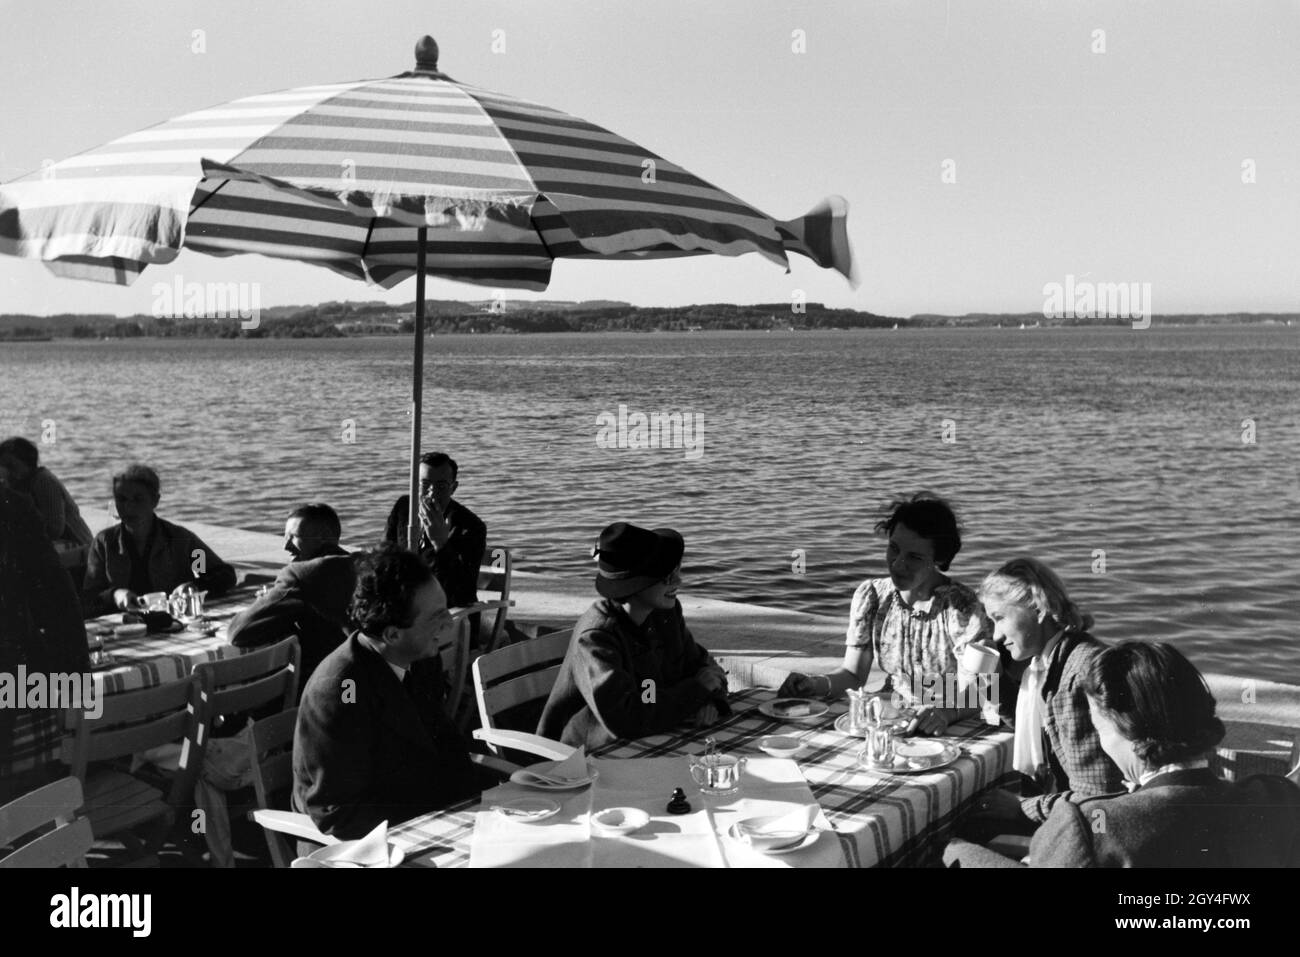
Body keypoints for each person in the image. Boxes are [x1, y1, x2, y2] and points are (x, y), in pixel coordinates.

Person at [945, 642, 1300, 867]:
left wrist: (955, 851)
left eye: (1099, 729)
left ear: (1127, 733)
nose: (1101, 743)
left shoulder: (1090, 825)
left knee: (952, 852)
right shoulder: (1277, 798)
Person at [293, 544, 482, 839]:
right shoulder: (341, 690)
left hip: (425, 819)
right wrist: (439, 818)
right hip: (364, 844)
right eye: (436, 617)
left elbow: (445, 747)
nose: (449, 624)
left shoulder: (419, 658)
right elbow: (337, 812)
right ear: (392, 634)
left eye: (445, 610)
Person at [778, 494, 991, 736]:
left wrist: (944, 713)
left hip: (951, 725)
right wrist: (814, 684)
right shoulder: (873, 597)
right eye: (894, 549)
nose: (898, 564)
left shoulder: (962, 607)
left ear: (939, 558)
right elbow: (852, 675)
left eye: (914, 557)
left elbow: (983, 686)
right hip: (891, 719)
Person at [960, 558, 1124, 837]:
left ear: (1038, 608)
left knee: (954, 844)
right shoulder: (1049, 661)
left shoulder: (1078, 675)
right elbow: (1036, 724)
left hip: (1092, 833)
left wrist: (1022, 808)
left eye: (999, 618)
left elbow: (1097, 797)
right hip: (1067, 811)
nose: (996, 635)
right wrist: (992, 677)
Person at [536, 522, 730, 750]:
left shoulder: (665, 614)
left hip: (652, 739)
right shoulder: (596, 637)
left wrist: (710, 700)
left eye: (677, 571)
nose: (679, 581)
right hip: (587, 758)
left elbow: (702, 666)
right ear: (635, 586)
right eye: (667, 577)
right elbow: (627, 719)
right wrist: (696, 691)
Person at [0, 487, 91, 802]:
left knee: (25, 796)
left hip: (17, 684)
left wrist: (76, 683)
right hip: (19, 683)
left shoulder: (11, 504)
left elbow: (56, 595)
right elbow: (57, 594)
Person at [227, 503, 353, 691]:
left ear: (324, 537)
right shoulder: (361, 564)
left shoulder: (302, 574)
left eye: (294, 537)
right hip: (362, 679)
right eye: (285, 537)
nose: (286, 546)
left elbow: (237, 633)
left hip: (320, 687)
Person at [82, 463, 236, 616]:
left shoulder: (181, 540)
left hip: (174, 621)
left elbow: (221, 574)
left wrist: (195, 586)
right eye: (121, 499)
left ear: (155, 500)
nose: (128, 507)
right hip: (126, 628)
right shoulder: (104, 544)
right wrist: (115, 595)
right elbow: (89, 596)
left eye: (138, 499)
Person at [384, 451, 486, 609]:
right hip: (402, 607)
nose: (432, 493)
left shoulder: (470, 527)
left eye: (441, 486)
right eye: (425, 484)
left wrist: (441, 545)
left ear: (453, 488)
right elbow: (384, 556)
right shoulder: (404, 509)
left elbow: (463, 594)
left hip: (446, 615)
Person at [0, 436, 93, 547]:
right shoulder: (15, 485)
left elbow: (54, 529)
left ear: (27, 463)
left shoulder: (43, 480)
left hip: (77, 548)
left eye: (11, 465)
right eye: (3, 466)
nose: (7, 471)